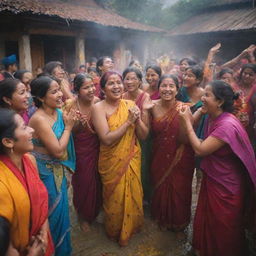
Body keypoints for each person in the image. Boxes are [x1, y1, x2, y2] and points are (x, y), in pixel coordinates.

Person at [179, 80, 256, 256]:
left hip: (226, 186)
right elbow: (199, 141)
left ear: (220, 101)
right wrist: (199, 111)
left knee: (223, 227)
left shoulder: (227, 125)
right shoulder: (214, 117)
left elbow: (199, 149)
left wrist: (187, 123)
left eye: (207, 95)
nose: (202, 98)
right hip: (214, 179)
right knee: (208, 220)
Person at [92, 71, 148, 246]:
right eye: (111, 83)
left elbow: (144, 136)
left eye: (119, 82)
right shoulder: (98, 108)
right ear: (102, 88)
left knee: (134, 194)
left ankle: (133, 227)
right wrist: (128, 122)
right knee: (114, 198)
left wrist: (137, 119)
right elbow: (106, 139)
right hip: (111, 162)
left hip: (131, 157)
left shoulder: (130, 104)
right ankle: (115, 231)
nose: (116, 86)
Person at [29, 76, 76, 256]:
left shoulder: (57, 112)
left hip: (58, 169)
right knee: (52, 215)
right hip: (45, 172)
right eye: (54, 91)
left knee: (62, 214)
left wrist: (69, 121)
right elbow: (57, 150)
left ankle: (63, 250)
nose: (59, 95)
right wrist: (69, 127)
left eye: (59, 90)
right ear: (41, 98)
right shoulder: (39, 119)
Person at [0, 108, 54, 256]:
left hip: (41, 243)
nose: (31, 130)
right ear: (8, 141)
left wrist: (43, 233)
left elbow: (40, 203)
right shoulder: (2, 184)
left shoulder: (30, 160)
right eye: (24, 127)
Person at [150, 74, 194, 239]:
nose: (167, 89)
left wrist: (183, 119)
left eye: (171, 86)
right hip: (158, 154)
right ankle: (162, 218)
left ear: (177, 89)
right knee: (160, 186)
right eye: (164, 86)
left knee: (179, 189)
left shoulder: (184, 108)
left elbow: (185, 139)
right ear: (159, 87)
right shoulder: (151, 106)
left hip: (180, 156)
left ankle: (179, 225)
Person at [64, 73, 101, 232]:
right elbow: (67, 131)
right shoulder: (70, 105)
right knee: (83, 183)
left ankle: (95, 211)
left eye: (93, 86)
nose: (92, 89)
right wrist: (78, 124)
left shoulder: (99, 102)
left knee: (98, 182)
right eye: (86, 87)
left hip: (98, 149)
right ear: (77, 90)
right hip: (80, 152)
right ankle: (83, 216)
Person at [122, 67, 152, 202]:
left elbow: (144, 132)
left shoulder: (145, 97)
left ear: (140, 81)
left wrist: (137, 117)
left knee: (141, 170)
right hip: (124, 139)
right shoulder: (121, 96)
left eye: (133, 78)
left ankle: (141, 198)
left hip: (141, 141)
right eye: (127, 79)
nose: (130, 82)